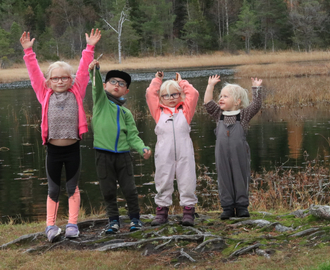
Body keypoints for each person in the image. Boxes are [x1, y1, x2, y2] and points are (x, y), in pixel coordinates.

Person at [20, 29, 101, 242]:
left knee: (72, 187)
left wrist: (89, 48)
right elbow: (34, 73)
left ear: (71, 79)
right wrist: (29, 52)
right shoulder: (43, 93)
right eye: (55, 78)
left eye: (64, 78)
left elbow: (84, 70)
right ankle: (51, 227)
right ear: (49, 81)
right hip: (53, 150)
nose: (60, 81)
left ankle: (72, 224)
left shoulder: (77, 91)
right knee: (53, 188)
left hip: (73, 149)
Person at [88, 59, 151, 234]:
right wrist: (95, 70)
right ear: (105, 85)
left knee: (130, 189)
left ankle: (135, 220)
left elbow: (132, 136)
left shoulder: (126, 112)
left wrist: (142, 148)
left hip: (123, 156)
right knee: (108, 191)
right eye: (113, 82)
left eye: (121, 83)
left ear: (126, 90)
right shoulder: (100, 103)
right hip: (103, 155)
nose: (117, 85)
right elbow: (96, 88)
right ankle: (113, 222)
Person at [204, 75, 262, 220]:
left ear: (237, 101)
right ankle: (227, 207)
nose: (221, 99)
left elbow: (256, 105)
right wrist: (210, 86)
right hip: (221, 154)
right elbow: (207, 102)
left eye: (225, 96)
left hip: (240, 153)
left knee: (240, 177)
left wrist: (256, 88)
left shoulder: (243, 116)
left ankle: (242, 207)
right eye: (221, 96)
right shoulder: (219, 115)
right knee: (224, 179)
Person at [146, 71, 199, 226]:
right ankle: (162, 211)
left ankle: (188, 212)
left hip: (185, 152)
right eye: (166, 95)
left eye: (174, 94)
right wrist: (158, 79)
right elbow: (150, 93)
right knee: (163, 180)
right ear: (161, 97)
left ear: (180, 95)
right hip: (164, 153)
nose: (170, 98)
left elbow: (194, 93)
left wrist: (181, 82)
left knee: (187, 180)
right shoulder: (158, 112)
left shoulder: (186, 111)